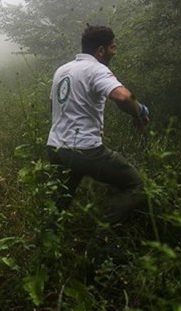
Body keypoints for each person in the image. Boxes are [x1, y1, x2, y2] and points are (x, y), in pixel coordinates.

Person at [47, 25, 149, 224]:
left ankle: (48, 243)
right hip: (85, 150)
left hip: (56, 148)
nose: (114, 52)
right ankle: (105, 236)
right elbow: (122, 97)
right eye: (112, 47)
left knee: (60, 202)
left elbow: (53, 104)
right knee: (136, 184)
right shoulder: (96, 69)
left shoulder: (62, 70)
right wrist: (141, 112)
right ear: (100, 50)